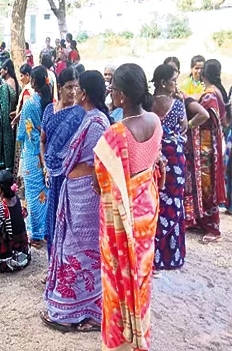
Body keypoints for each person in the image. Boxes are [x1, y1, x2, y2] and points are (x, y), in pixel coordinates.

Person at [95, 63, 164, 351]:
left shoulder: (115, 134)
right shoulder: (155, 122)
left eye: (112, 91)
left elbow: (100, 183)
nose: (110, 95)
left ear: (121, 96)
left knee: (117, 279)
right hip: (147, 213)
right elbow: (152, 163)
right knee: (141, 279)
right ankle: (141, 336)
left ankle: (121, 342)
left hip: (122, 222)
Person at [42, 70, 110, 333]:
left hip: (86, 197)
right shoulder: (90, 118)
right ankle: (78, 310)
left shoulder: (96, 123)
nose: (75, 91)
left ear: (86, 93)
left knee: (80, 252)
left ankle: (78, 313)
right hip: (77, 191)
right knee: (77, 251)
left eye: (78, 87)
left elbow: (96, 164)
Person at [40, 67, 83, 255]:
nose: (73, 92)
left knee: (68, 223)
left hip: (70, 176)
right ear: (60, 87)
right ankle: (53, 267)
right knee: (53, 221)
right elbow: (42, 141)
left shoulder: (80, 114)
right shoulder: (50, 110)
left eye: (76, 87)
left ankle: (65, 272)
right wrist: (45, 167)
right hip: (52, 175)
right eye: (68, 87)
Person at [150, 64, 189, 270]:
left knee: (155, 201)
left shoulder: (147, 104)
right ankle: (169, 255)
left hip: (154, 158)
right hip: (174, 159)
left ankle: (151, 252)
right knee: (173, 203)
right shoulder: (177, 105)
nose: (176, 83)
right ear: (163, 82)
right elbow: (184, 127)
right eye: (174, 79)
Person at [188, 59, 228, 243]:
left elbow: (203, 118)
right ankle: (202, 220)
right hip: (209, 145)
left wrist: (188, 123)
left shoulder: (210, 95)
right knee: (203, 184)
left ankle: (213, 227)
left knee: (207, 185)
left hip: (206, 148)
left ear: (203, 74)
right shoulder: (216, 92)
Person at [17, 66, 51, 248]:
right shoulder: (49, 102)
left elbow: (26, 131)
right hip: (46, 154)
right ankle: (45, 230)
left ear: (33, 81)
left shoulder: (30, 103)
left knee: (32, 195)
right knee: (43, 193)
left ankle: (36, 234)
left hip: (32, 153)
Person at [0, 59, 18, 171]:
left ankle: (6, 164)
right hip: (13, 116)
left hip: (6, 118)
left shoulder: (5, 86)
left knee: (7, 141)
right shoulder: (15, 81)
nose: (0, 71)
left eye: (2, 69)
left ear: (6, 70)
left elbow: (4, 106)